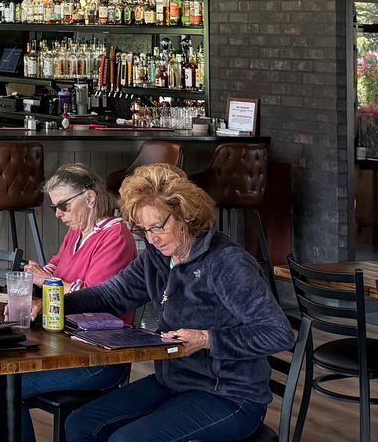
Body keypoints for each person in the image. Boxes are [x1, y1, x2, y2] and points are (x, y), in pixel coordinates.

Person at [62, 164, 292, 442]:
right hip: (174, 382)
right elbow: (111, 296)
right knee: (80, 423)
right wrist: (54, 304)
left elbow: (278, 332)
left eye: (158, 226)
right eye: (144, 230)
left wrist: (207, 339)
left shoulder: (226, 263)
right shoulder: (156, 257)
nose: (152, 238)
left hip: (230, 395)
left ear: (185, 214)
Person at [0, 164, 138, 437]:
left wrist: (45, 281)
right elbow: (55, 267)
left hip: (98, 357)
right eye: (55, 207)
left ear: (89, 198)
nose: (58, 214)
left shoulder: (115, 235)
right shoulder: (77, 232)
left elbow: (95, 296)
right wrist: (38, 276)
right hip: (62, 343)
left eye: (63, 205)